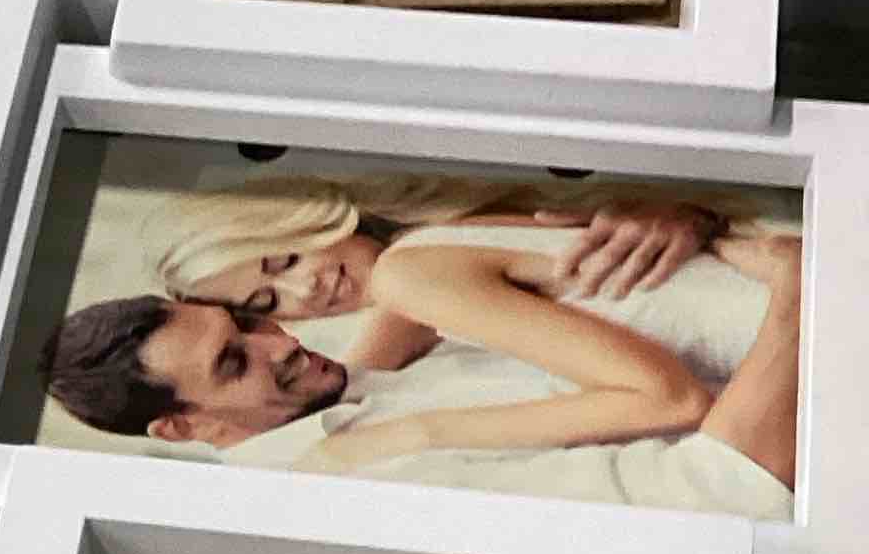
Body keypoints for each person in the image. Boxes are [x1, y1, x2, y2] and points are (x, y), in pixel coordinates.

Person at [43, 228, 802, 520]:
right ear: (185, 426)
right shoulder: (374, 479)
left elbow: (395, 290)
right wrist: (799, 295)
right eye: (233, 362)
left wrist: (675, 211)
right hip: (806, 425)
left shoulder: (339, 401)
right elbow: (725, 491)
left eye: (248, 319)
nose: (278, 343)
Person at [142, 171, 780, 479]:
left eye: (284, 260)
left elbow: (672, 400)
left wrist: (408, 436)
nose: (305, 290)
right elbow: (365, 371)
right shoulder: (425, 258)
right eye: (268, 302)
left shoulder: (408, 275)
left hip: (795, 346)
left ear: (301, 216)